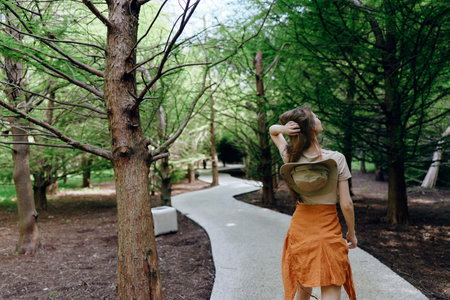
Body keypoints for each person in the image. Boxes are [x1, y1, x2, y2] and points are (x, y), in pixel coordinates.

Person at [269, 105, 357, 300]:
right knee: (332, 282)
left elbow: (273, 131)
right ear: (311, 128)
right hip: (328, 229)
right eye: (316, 117)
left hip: (301, 228)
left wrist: (284, 130)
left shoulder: (290, 157)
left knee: (304, 287)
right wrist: (351, 233)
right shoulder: (336, 159)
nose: (319, 119)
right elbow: (346, 204)